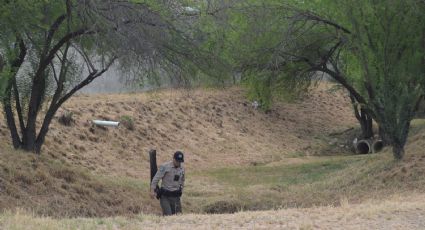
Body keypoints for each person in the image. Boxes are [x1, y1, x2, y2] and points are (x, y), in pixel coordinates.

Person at [150, 151, 185, 216]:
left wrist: (182, 189)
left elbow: (182, 180)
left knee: (179, 217)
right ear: (173, 159)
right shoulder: (165, 166)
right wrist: (152, 190)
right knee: (168, 216)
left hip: (176, 196)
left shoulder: (182, 168)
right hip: (165, 196)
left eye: (180, 161)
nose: (179, 163)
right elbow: (156, 179)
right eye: (177, 161)